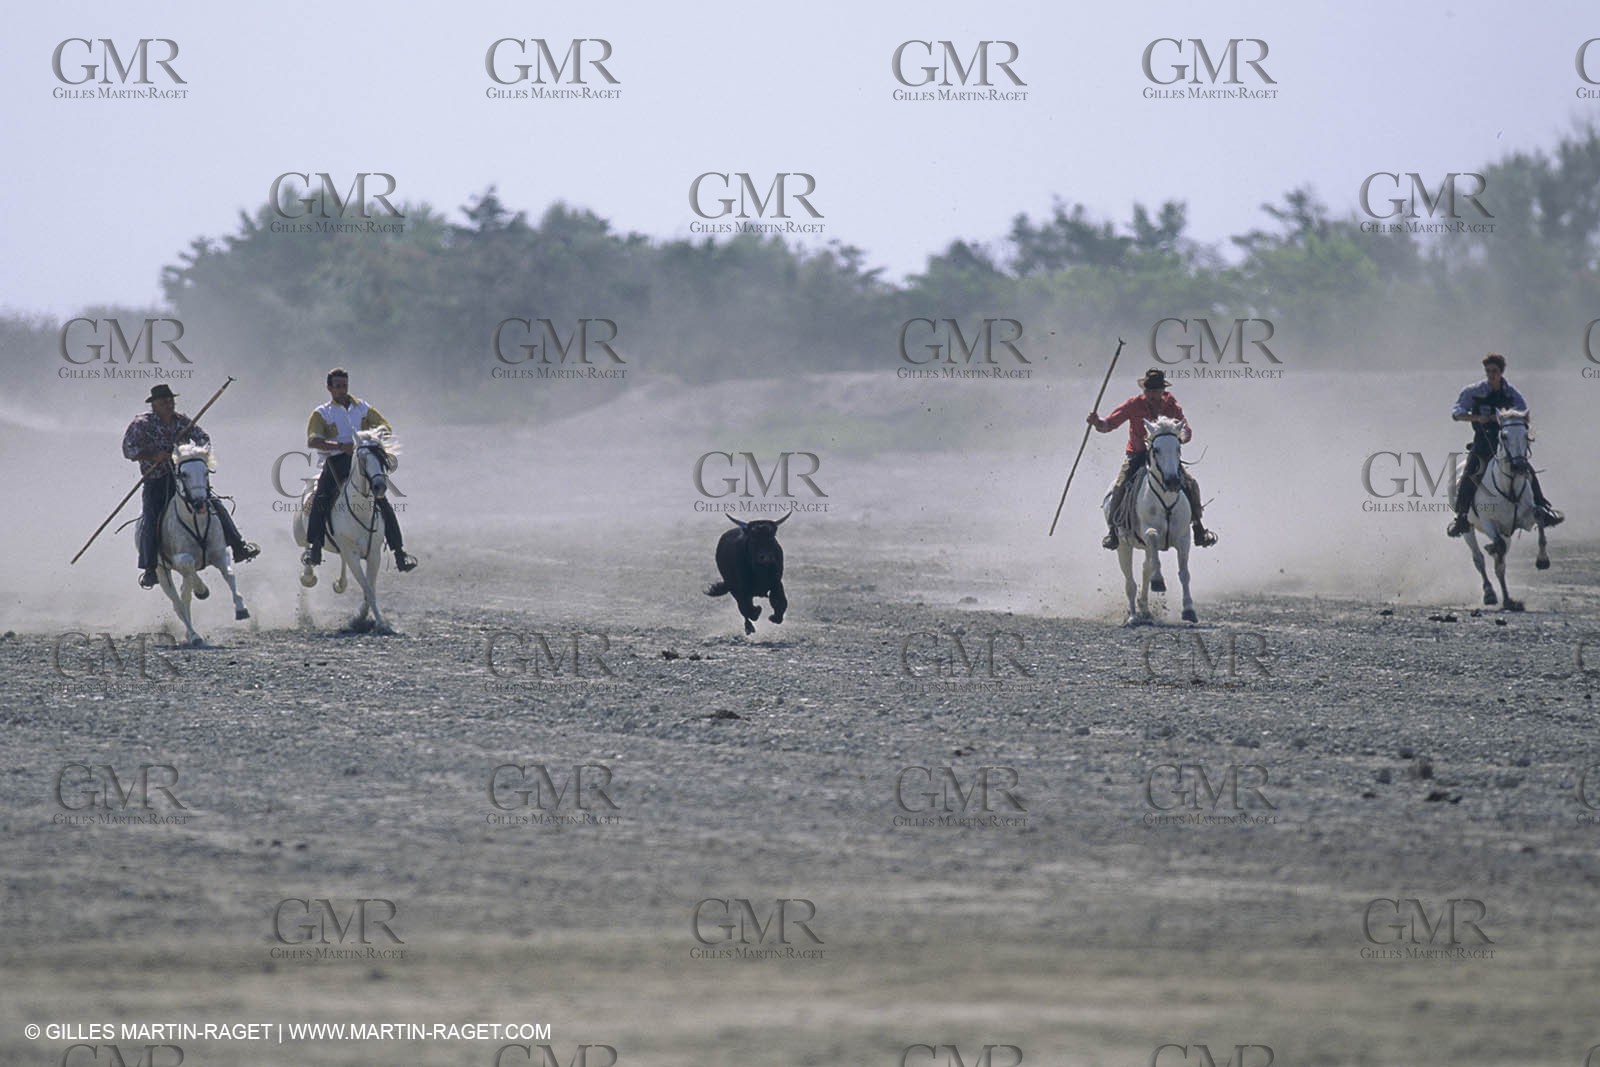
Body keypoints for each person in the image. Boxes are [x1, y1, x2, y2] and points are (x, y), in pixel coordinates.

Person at [122, 384, 259, 588]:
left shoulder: (183, 421)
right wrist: (153, 455)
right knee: (150, 518)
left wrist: (191, 453)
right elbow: (128, 449)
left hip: (185, 479)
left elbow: (204, 438)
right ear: (154, 405)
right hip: (157, 480)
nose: (169, 405)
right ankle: (150, 568)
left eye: (171, 401)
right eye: (163, 402)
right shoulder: (141, 424)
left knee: (214, 504)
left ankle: (239, 546)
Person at [1087, 368, 1217, 550]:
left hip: (1165, 458)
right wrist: (1097, 422)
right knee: (1119, 486)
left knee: (1191, 483)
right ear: (1144, 391)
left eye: (1155, 390)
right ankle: (1113, 532)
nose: (1151, 394)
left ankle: (1198, 527)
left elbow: (1187, 431)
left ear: (1162, 391)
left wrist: (1178, 439)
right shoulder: (1133, 405)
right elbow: (1109, 424)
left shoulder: (1173, 406)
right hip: (1137, 455)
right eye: (1148, 390)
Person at [302, 367, 417, 571]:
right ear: (329, 388)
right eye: (337, 386)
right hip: (336, 463)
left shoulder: (363, 408)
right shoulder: (321, 413)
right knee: (321, 498)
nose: (341, 390)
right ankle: (315, 547)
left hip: (362, 459)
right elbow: (313, 441)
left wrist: (370, 440)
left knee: (382, 500)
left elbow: (385, 426)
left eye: (344, 386)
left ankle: (399, 552)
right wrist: (339, 446)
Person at [1446, 352, 1562, 537]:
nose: (1491, 375)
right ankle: (1461, 517)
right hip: (1483, 442)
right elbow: (1457, 413)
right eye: (1488, 371)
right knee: (1470, 473)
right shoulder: (1473, 392)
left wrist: (1506, 420)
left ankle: (1543, 508)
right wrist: (1477, 418)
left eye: (1494, 371)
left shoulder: (1511, 393)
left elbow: (1524, 414)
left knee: (1528, 470)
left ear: (1501, 372)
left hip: (1507, 444)